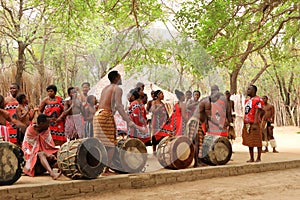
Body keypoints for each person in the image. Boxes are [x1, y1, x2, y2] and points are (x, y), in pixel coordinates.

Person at [93, 70, 138, 176]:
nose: (121, 78)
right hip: (105, 115)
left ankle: (100, 167)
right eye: (120, 76)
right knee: (111, 144)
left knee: (101, 143)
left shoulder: (105, 88)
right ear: (117, 78)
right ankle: (106, 169)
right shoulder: (117, 88)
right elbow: (119, 106)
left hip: (98, 115)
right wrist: (128, 121)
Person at [188, 85, 229, 167]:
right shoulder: (207, 102)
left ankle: (199, 161)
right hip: (195, 122)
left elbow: (206, 116)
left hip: (197, 122)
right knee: (197, 143)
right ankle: (196, 163)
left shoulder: (206, 100)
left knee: (200, 142)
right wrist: (219, 125)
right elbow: (209, 116)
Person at [22, 114, 61, 180]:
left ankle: (62, 168)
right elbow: (29, 149)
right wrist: (46, 154)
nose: (49, 125)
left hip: (45, 157)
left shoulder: (46, 130)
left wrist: (50, 154)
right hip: (33, 160)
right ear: (41, 123)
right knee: (41, 154)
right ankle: (51, 173)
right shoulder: (30, 130)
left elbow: (50, 145)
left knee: (60, 152)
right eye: (47, 123)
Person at [242, 85, 264, 162]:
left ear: (254, 90)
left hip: (254, 123)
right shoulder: (247, 100)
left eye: (249, 89)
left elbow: (258, 111)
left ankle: (258, 157)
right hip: (247, 123)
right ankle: (251, 157)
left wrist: (255, 122)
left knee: (257, 140)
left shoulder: (258, 100)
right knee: (249, 141)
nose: (247, 90)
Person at [150, 90, 169, 154]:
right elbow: (153, 111)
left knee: (163, 135)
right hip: (156, 122)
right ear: (158, 95)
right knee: (155, 135)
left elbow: (166, 112)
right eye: (161, 94)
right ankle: (154, 151)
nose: (163, 95)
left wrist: (168, 119)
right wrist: (159, 107)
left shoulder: (163, 103)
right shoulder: (154, 102)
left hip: (163, 122)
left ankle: (161, 151)